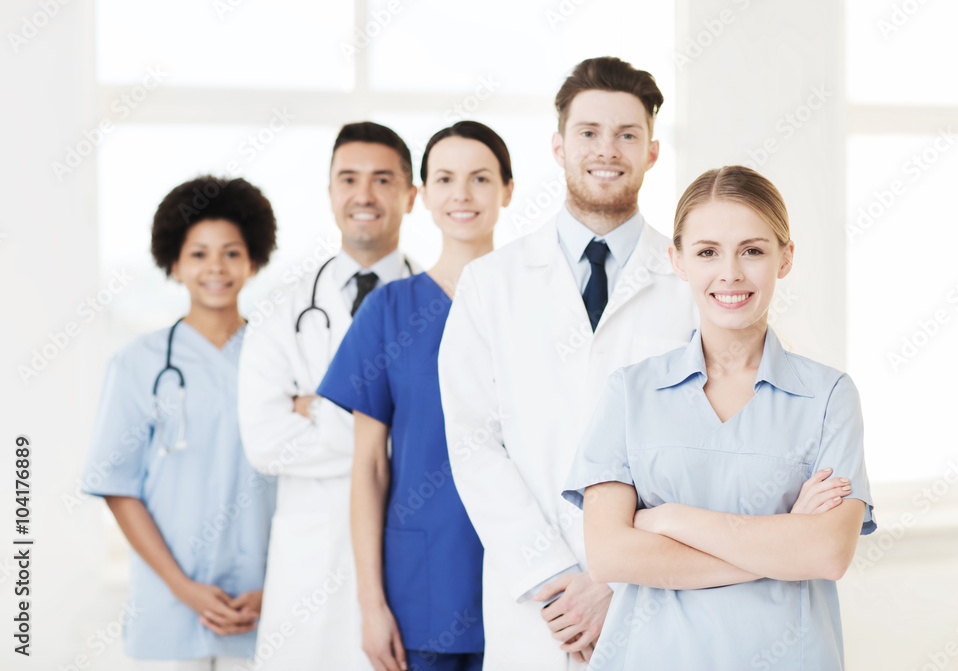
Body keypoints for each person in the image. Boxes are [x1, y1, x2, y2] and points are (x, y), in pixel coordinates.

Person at [438, 57, 698, 670]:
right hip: (539, 608)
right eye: (588, 133)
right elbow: (473, 443)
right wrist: (555, 575)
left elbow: (709, 450)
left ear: (652, 152)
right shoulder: (491, 284)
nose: (607, 150)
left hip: (653, 596)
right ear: (558, 147)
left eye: (627, 135)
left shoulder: (694, 279)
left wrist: (617, 578)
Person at [562, 165, 877, 670]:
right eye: (708, 252)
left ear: (785, 258)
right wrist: (782, 541)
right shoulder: (631, 392)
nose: (730, 272)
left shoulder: (828, 396)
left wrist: (668, 519)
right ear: (678, 260)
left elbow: (826, 555)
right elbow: (611, 556)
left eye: (752, 250)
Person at [318, 121, 513, 671]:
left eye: (480, 178)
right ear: (422, 195)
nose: (462, 194)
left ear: (508, 190)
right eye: (445, 178)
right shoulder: (390, 311)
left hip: (525, 572)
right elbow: (370, 469)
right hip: (422, 584)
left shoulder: (535, 307)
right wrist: (371, 604)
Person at [237, 122, 420, 670]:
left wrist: (317, 405)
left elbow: (455, 440)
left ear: (411, 196)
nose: (364, 194)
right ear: (331, 193)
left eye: (382, 179)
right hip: (312, 564)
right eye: (348, 179)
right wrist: (389, 429)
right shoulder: (281, 309)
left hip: (409, 550)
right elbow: (266, 443)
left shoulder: (445, 304)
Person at [81, 175, 278, 669]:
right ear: (173, 263)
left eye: (231, 252)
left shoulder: (279, 361)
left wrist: (274, 584)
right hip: (169, 602)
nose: (216, 267)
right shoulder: (138, 362)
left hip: (263, 599)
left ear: (254, 260)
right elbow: (118, 485)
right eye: (198, 254)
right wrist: (182, 588)